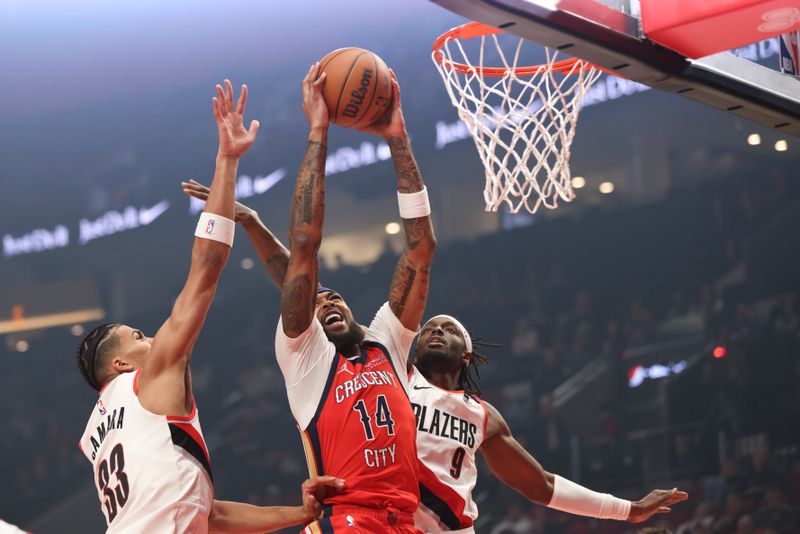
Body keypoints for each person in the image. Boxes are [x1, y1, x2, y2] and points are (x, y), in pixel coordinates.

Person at [77, 80, 343, 533]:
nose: (154, 337)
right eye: (139, 337)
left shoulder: (97, 436)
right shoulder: (149, 377)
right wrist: (227, 160)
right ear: (121, 363)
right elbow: (205, 271)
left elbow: (210, 513)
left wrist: (298, 515)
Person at [275, 63, 435, 533]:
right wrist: (318, 130)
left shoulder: (387, 340)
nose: (326, 304)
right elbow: (304, 246)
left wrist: (397, 138)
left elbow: (420, 251)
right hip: (345, 520)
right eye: (316, 302)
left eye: (335, 298)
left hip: (405, 520)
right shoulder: (303, 358)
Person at [407, 314, 688, 532]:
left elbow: (541, 485)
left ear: (466, 355)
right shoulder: (391, 383)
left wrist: (630, 509)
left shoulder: (483, 415)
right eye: (429, 329)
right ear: (415, 350)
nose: (438, 331)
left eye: (450, 329)